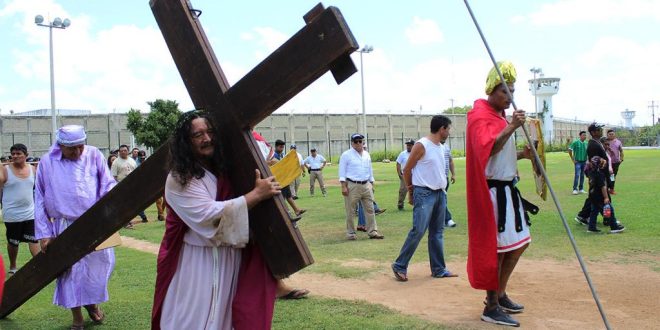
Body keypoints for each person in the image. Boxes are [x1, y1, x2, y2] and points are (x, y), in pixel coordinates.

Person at [465, 61, 533, 327]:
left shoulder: (500, 118)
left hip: (508, 191)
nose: (510, 96)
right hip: (493, 193)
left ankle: (501, 294)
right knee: (499, 250)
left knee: (518, 244)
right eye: (505, 91)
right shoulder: (479, 116)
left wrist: (522, 155)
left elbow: (501, 152)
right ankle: (491, 306)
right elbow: (488, 150)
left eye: (513, 91)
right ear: (492, 90)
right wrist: (512, 127)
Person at [35, 125, 116, 329]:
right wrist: (44, 233)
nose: (77, 152)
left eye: (80, 146)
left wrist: (110, 214)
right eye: (72, 148)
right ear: (60, 146)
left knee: (100, 267)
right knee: (70, 273)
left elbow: (107, 184)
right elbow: (40, 198)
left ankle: (92, 304)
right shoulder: (47, 162)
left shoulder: (94, 155)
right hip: (64, 226)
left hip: (94, 224)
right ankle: (77, 316)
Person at [392, 115, 456, 281]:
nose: (449, 132)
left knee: (437, 232)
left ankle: (439, 269)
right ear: (442, 129)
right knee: (419, 230)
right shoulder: (422, 145)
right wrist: (412, 191)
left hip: (440, 193)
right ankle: (399, 265)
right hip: (424, 193)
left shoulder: (441, 147)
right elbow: (407, 170)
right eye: (448, 129)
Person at [0, 143, 40, 275]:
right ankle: (13, 266)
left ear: (25, 155)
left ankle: (40, 265)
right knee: (13, 242)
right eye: (13, 154)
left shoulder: (33, 169)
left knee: (33, 239)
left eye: (18, 154)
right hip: (12, 215)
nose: (15, 156)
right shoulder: (5, 170)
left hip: (29, 213)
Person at [338, 133, 384, 240]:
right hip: (352, 185)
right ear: (352, 143)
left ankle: (373, 232)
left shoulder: (367, 154)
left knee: (370, 209)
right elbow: (342, 172)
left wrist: (371, 183)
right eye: (356, 141)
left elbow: (370, 169)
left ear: (363, 142)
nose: (358, 143)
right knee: (351, 210)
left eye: (360, 141)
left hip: (366, 184)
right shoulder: (346, 155)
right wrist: (343, 186)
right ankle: (351, 233)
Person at [575, 123, 611, 225]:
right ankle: (609, 219)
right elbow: (595, 162)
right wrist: (602, 177)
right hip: (597, 175)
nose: (600, 131)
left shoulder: (597, 142)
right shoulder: (593, 145)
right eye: (598, 130)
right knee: (602, 197)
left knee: (593, 197)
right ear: (593, 132)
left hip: (599, 175)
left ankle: (582, 216)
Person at [584, 156, 625, 234]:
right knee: (610, 210)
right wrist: (606, 197)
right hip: (599, 196)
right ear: (599, 165)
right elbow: (603, 187)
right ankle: (614, 227)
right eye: (602, 163)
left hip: (592, 195)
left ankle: (591, 227)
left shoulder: (590, 172)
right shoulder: (599, 174)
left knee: (594, 211)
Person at [111, 144, 147, 225]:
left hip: (132, 186)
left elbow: (136, 174)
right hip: (121, 186)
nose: (123, 152)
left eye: (125, 150)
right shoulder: (116, 162)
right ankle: (125, 221)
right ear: (119, 152)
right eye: (121, 151)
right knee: (123, 205)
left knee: (132, 204)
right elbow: (114, 176)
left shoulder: (132, 161)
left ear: (128, 152)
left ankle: (129, 219)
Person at [273, 140, 306, 217]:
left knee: (288, 196)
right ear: (276, 146)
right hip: (279, 180)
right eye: (280, 147)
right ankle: (286, 214)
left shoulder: (282, 155)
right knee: (282, 199)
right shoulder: (273, 155)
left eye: (283, 147)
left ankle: (296, 210)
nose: (281, 149)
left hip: (284, 179)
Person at [396, 140, 415, 210]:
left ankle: (415, 205)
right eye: (407, 145)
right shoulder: (402, 154)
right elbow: (398, 163)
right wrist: (399, 173)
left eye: (410, 145)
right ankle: (400, 205)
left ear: (413, 145)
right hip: (405, 175)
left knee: (415, 190)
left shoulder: (416, 153)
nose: (408, 146)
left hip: (415, 175)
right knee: (402, 190)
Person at [443, 139, 457, 228]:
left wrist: (453, 174)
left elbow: (450, 161)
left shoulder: (446, 147)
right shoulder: (430, 146)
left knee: (442, 200)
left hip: (445, 179)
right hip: (434, 180)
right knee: (441, 200)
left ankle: (444, 220)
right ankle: (448, 219)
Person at [606, 129, 624, 194]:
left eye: (612, 134)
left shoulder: (618, 142)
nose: (611, 135)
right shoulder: (604, 142)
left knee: (613, 176)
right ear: (607, 135)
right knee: (606, 176)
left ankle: (611, 189)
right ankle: (606, 189)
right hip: (606, 162)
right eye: (609, 134)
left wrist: (621, 159)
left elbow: (621, 151)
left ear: (614, 134)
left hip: (615, 162)